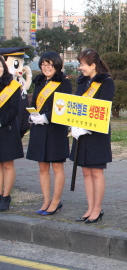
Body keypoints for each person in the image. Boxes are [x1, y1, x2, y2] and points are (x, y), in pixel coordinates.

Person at [70, 49, 115, 224]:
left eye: (82, 64)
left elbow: (103, 109)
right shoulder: (82, 82)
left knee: (96, 172)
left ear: (93, 65)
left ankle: (97, 209)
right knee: (85, 172)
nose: (80, 68)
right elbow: (75, 105)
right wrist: (73, 125)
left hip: (96, 133)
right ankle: (89, 208)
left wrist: (87, 127)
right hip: (81, 134)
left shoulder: (106, 82)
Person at [26, 52, 72, 216]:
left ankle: (55, 201)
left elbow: (65, 108)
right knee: (42, 167)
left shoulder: (64, 83)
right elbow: (34, 103)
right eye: (43, 64)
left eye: (50, 64)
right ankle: (46, 200)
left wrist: (47, 117)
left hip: (55, 130)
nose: (46, 67)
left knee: (57, 167)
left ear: (57, 66)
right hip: (39, 130)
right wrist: (33, 115)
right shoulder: (39, 81)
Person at [0, 55, 24, 211]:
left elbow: (15, 109)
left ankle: (6, 196)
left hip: (7, 129)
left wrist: (1, 121)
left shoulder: (13, 85)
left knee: (7, 164)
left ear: (4, 67)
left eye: (0, 66)